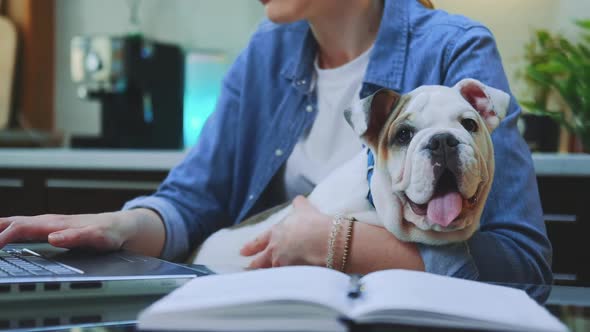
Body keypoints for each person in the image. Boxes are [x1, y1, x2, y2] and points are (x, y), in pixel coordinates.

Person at [0, 0, 551, 290]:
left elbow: (523, 268)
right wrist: (121, 227)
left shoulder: (456, 48)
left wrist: (336, 242)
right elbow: (194, 201)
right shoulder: (267, 50)